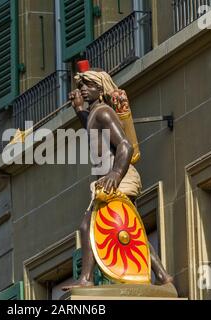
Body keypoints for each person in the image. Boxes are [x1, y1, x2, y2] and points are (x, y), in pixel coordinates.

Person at [65, 61, 173, 289]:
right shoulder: (95, 113)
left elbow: (125, 145)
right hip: (109, 181)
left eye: (89, 84)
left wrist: (115, 173)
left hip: (118, 179)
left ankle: (85, 279)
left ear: (101, 88)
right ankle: (162, 275)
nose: (84, 88)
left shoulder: (104, 112)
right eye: (82, 84)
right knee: (128, 228)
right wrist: (78, 109)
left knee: (90, 227)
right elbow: (92, 128)